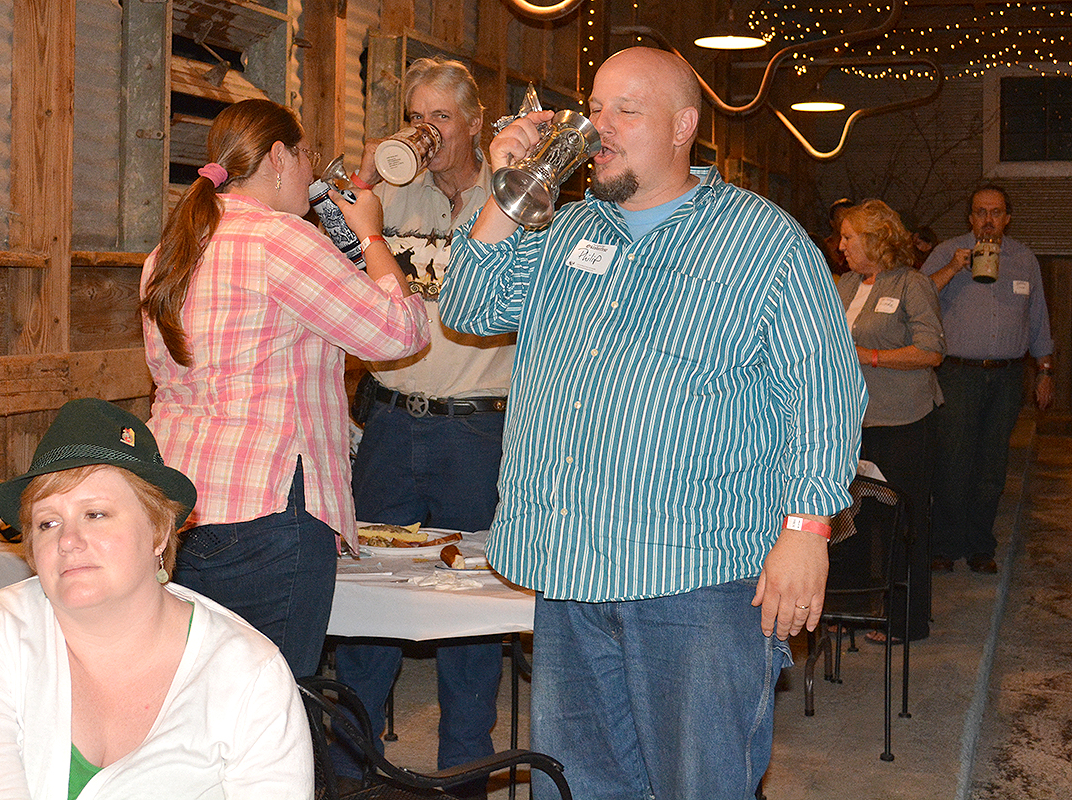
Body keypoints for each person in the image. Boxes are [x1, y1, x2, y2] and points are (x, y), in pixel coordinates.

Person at [439, 47, 867, 800]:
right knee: (583, 787)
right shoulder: (563, 229)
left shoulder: (762, 243)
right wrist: (506, 193)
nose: (599, 126)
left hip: (698, 581)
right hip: (570, 568)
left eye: (625, 111)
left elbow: (825, 391)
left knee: (699, 786)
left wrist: (806, 528)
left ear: (683, 127)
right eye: (595, 108)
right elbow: (470, 308)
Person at [140, 99, 430, 678]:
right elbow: (401, 332)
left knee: (193, 698)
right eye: (307, 157)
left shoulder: (167, 251)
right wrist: (371, 239)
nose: (311, 171)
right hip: (268, 509)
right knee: (271, 706)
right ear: (278, 156)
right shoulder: (282, 239)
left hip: (173, 503)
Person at [0, 398, 314, 799]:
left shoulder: (247, 672)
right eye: (47, 522)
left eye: (96, 514)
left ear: (159, 531)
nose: (68, 541)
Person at [332, 57, 512, 795]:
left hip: (476, 430)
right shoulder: (388, 197)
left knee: (471, 612)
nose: (427, 131)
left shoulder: (512, 199)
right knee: (367, 602)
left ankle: (462, 774)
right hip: (392, 426)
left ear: (473, 122)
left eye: (441, 117)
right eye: (416, 115)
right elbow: (328, 253)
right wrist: (368, 180)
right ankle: (351, 771)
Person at [923, 185, 1053, 574]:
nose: (988, 220)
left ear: (1007, 218)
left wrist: (1045, 371)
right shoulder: (949, 251)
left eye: (996, 212)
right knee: (952, 461)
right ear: (970, 218)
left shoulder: (1024, 259)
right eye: (980, 212)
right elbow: (917, 295)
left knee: (992, 465)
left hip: (1007, 377)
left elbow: (1038, 318)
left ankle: (981, 545)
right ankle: (945, 544)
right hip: (958, 373)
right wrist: (953, 268)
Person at [837, 199, 945, 643]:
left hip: (903, 422)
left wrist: (871, 357)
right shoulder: (842, 284)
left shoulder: (912, 284)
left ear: (876, 241)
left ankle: (907, 619)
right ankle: (852, 610)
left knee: (904, 523)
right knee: (850, 521)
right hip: (851, 423)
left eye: (849, 237)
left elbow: (931, 351)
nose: (840, 245)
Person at [821, 197, 854, 275]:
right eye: (839, 217)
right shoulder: (823, 247)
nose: (843, 221)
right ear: (832, 222)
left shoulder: (859, 247)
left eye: (847, 217)